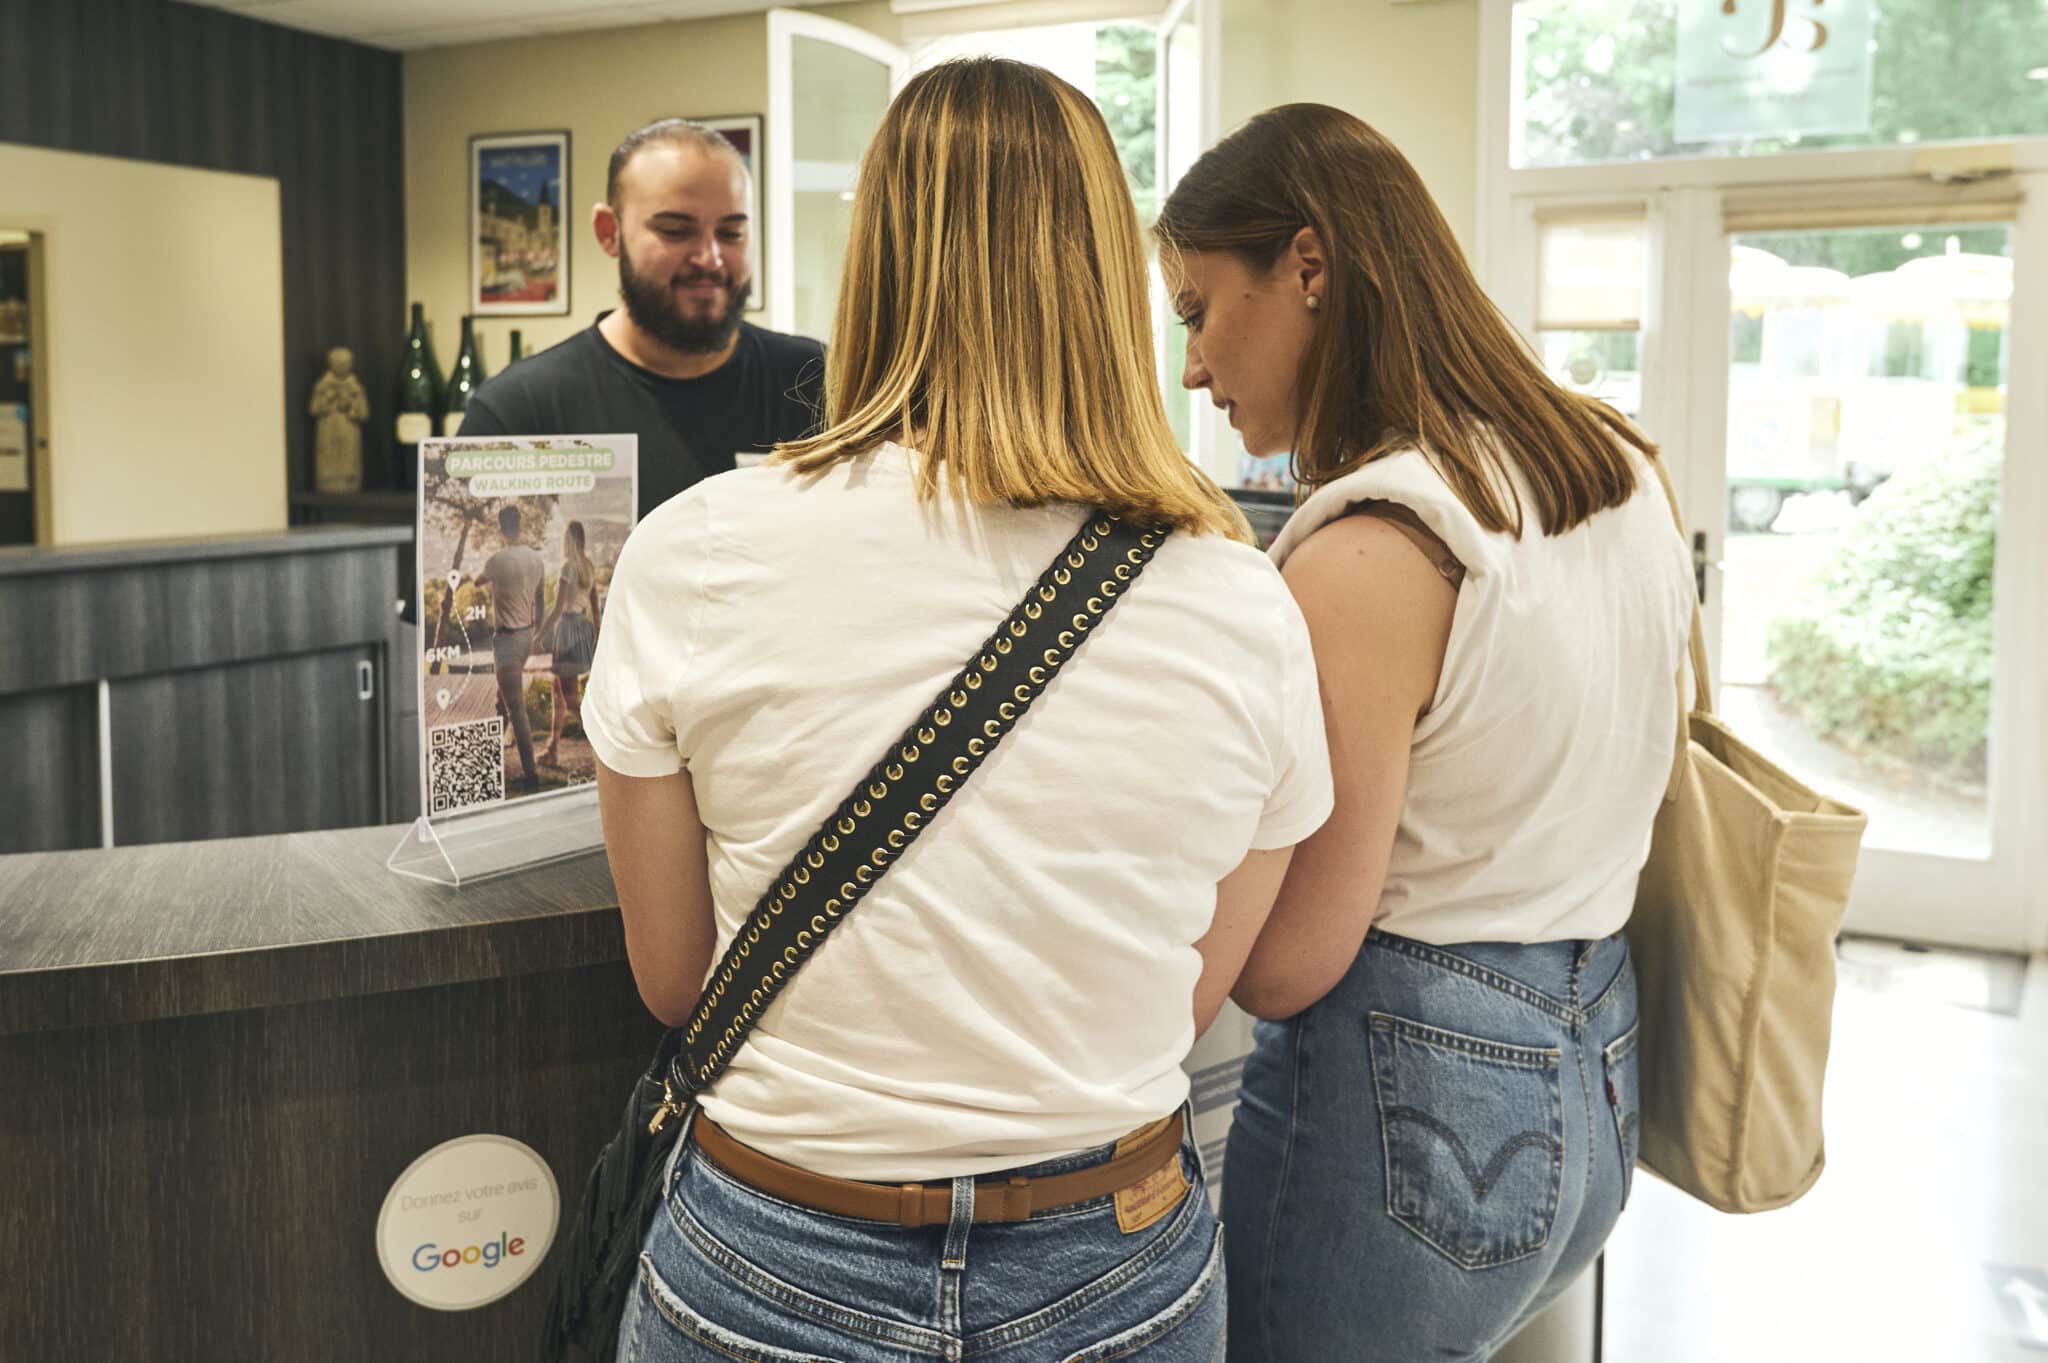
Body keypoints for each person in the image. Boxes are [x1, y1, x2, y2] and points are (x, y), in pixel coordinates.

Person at [579, 59, 1333, 1363]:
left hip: (774, 1242)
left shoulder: (695, 550)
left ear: (873, 260)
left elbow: (676, 976)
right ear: (1108, 274)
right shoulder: (1241, 597)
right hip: (1116, 1253)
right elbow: (1183, 994)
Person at [1153, 103, 1695, 1363]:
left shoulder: (1368, 546)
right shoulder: (1613, 469)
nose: (1187, 366)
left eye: (1194, 309)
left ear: (1308, 264)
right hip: (1596, 1067)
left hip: (1419, 1113)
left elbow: (1286, 964)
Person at [458, 119, 824, 519]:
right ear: (608, 231)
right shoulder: (520, 412)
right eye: (674, 231)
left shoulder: (820, 383)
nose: (710, 257)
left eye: (731, 233)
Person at [475, 504, 547, 794]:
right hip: (526, 637)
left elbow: (478, 581)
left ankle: (531, 775)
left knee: (516, 708)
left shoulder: (497, 560)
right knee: (501, 699)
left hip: (506, 640)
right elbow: (541, 599)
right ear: (520, 525)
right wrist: (538, 629)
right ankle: (492, 756)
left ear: (500, 528)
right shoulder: (535, 559)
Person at [536, 518, 601, 767]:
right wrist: (596, 638)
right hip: (582, 630)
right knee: (558, 693)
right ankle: (552, 750)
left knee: (570, 699)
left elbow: (559, 608)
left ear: (567, 541)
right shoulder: (589, 567)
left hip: (567, 632)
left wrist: (540, 635)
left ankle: (604, 747)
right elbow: (595, 611)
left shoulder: (568, 568)